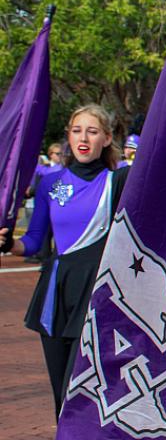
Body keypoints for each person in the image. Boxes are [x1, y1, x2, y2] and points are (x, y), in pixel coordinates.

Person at [0, 104, 129, 418]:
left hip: (97, 295)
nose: (83, 137)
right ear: (69, 138)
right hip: (55, 297)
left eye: (92, 131)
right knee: (62, 395)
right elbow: (33, 241)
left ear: (107, 138)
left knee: (86, 392)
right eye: (76, 130)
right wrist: (8, 243)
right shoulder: (50, 184)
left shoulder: (120, 181)